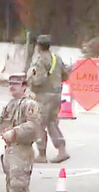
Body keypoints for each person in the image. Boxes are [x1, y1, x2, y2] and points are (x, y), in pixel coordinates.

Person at [27, 34, 70, 163]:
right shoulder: (56, 58)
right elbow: (65, 75)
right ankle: (62, 150)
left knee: (39, 124)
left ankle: (41, 154)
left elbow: (39, 79)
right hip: (56, 94)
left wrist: (29, 80)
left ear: (38, 46)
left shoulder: (39, 61)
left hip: (43, 96)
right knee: (52, 123)